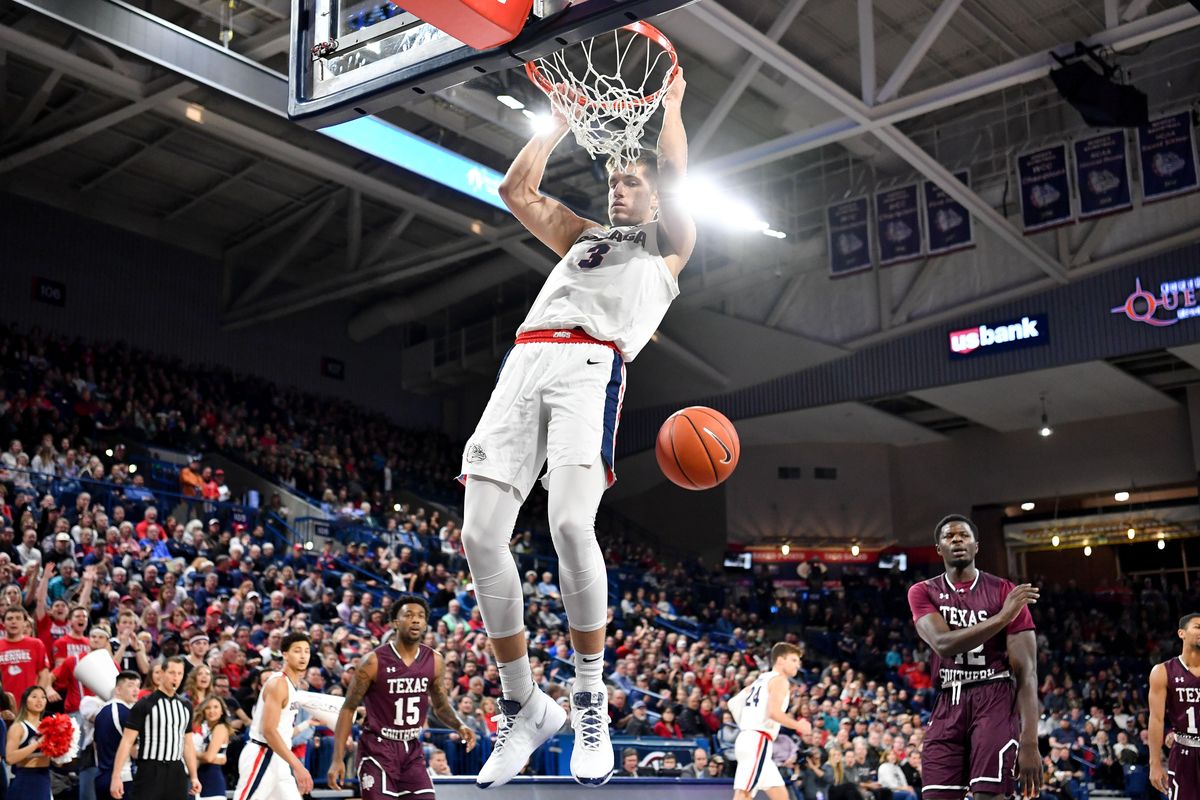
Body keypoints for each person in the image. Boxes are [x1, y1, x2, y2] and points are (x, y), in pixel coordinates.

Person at [457, 65, 695, 788]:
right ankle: (526, 704)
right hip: (525, 364)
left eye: (631, 182)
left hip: (590, 368)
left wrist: (672, 109)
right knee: (478, 535)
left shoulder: (668, 245)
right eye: (615, 180)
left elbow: (678, 173)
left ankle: (589, 695)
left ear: (654, 198)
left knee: (568, 526)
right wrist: (557, 123)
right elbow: (514, 193)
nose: (618, 188)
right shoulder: (585, 237)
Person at [906, 515, 1041, 800]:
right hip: (948, 700)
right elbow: (943, 644)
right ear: (938, 548)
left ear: (976, 546)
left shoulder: (1004, 591)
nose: (957, 540)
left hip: (994, 697)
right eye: (949, 537)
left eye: (964, 536)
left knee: (987, 796)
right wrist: (1003, 616)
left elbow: (1026, 674)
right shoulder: (922, 591)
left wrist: (1030, 741)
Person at [328, 595, 476, 800]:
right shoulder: (372, 661)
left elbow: (441, 706)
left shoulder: (434, 660)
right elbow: (348, 708)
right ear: (395, 623)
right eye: (409, 615)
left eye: (421, 616)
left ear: (425, 624)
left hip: (412, 749)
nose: (416, 620)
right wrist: (337, 759)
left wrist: (459, 726)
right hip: (377, 748)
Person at [231, 632, 313, 800]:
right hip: (263, 754)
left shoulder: (292, 686)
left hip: (279, 758)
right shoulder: (278, 684)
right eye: (297, 650)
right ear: (285, 654)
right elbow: (268, 731)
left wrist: (309, 723)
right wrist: (298, 766)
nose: (303, 655)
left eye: (307, 651)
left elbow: (283, 732)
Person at [728, 642, 811, 800]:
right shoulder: (780, 680)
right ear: (780, 660)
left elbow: (733, 703)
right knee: (744, 793)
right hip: (757, 740)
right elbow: (773, 713)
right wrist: (798, 725)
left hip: (750, 738)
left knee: (781, 795)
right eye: (793, 660)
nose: (797, 665)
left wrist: (746, 725)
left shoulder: (761, 679)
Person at [110, 657, 202, 800]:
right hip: (150, 769)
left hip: (176, 769)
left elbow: (188, 743)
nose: (176, 677)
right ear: (162, 673)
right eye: (172, 672)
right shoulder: (145, 704)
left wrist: (194, 776)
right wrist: (116, 776)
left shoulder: (186, 705)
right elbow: (127, 741)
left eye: (179, 673)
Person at [1149, 612, 1200, 799]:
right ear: (1182, 633)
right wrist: (1155, 763)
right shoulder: (1162, 671)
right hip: (1184, 753)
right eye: (1198, 627)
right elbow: (1155, 719)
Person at [94, 671, 140, 800]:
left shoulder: (100, 712)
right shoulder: (127, 713)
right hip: (122, 778)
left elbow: (96, 745)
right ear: (118, 689)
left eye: (138, 686)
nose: (136, 690)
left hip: (101, 776)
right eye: (131, 685)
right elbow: (133, 751)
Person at [6, 686, 49, 800]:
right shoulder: (18, 727)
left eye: (43, 697)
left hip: (45, 779)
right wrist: (37, 744)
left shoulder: (49, 727)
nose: (39, 700)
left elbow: (58, 764)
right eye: (34, 697)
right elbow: (10, 758)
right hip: (25, 779)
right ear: (25, 701)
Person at [194, 697, 232, 800]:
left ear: (222, 712)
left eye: (216, 707)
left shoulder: (220, 728)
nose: (212, 711)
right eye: (208, 708)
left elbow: (209, 757)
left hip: (212, 781)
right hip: (203, 780)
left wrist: (191, 753)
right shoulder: (207, 730)